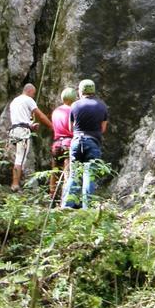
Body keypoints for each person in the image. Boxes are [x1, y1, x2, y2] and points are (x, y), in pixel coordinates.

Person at [62, 79, 109, 210]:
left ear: (80, 91)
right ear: (93, 91)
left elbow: (70, 128)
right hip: (93, 141)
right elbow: (103, 129)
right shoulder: (102, 106)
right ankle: (86, 207)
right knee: (89, 174)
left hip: (77, 141)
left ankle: (67, 205)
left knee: (74, 173)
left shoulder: (75, 105)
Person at [6, 83, 53, 191]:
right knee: (20, 158)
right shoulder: (28, 99)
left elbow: (19, 119)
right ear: (30, 91)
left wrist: (31, 126)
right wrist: (52, 126)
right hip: (22, 132)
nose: (33, 96)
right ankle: (15, 185)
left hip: (14, 131)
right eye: (33, 94)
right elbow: (40, 115)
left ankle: (17, 183)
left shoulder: (15, 101)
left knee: (17, 157)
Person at [49, 87, 76, 198]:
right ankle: (66, 198)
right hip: (68, 143)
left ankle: (52, 195)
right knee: (67, 172)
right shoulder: (73, 111)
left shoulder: (56, 111)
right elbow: (72, 128)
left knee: (54, 171)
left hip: (56, 144)